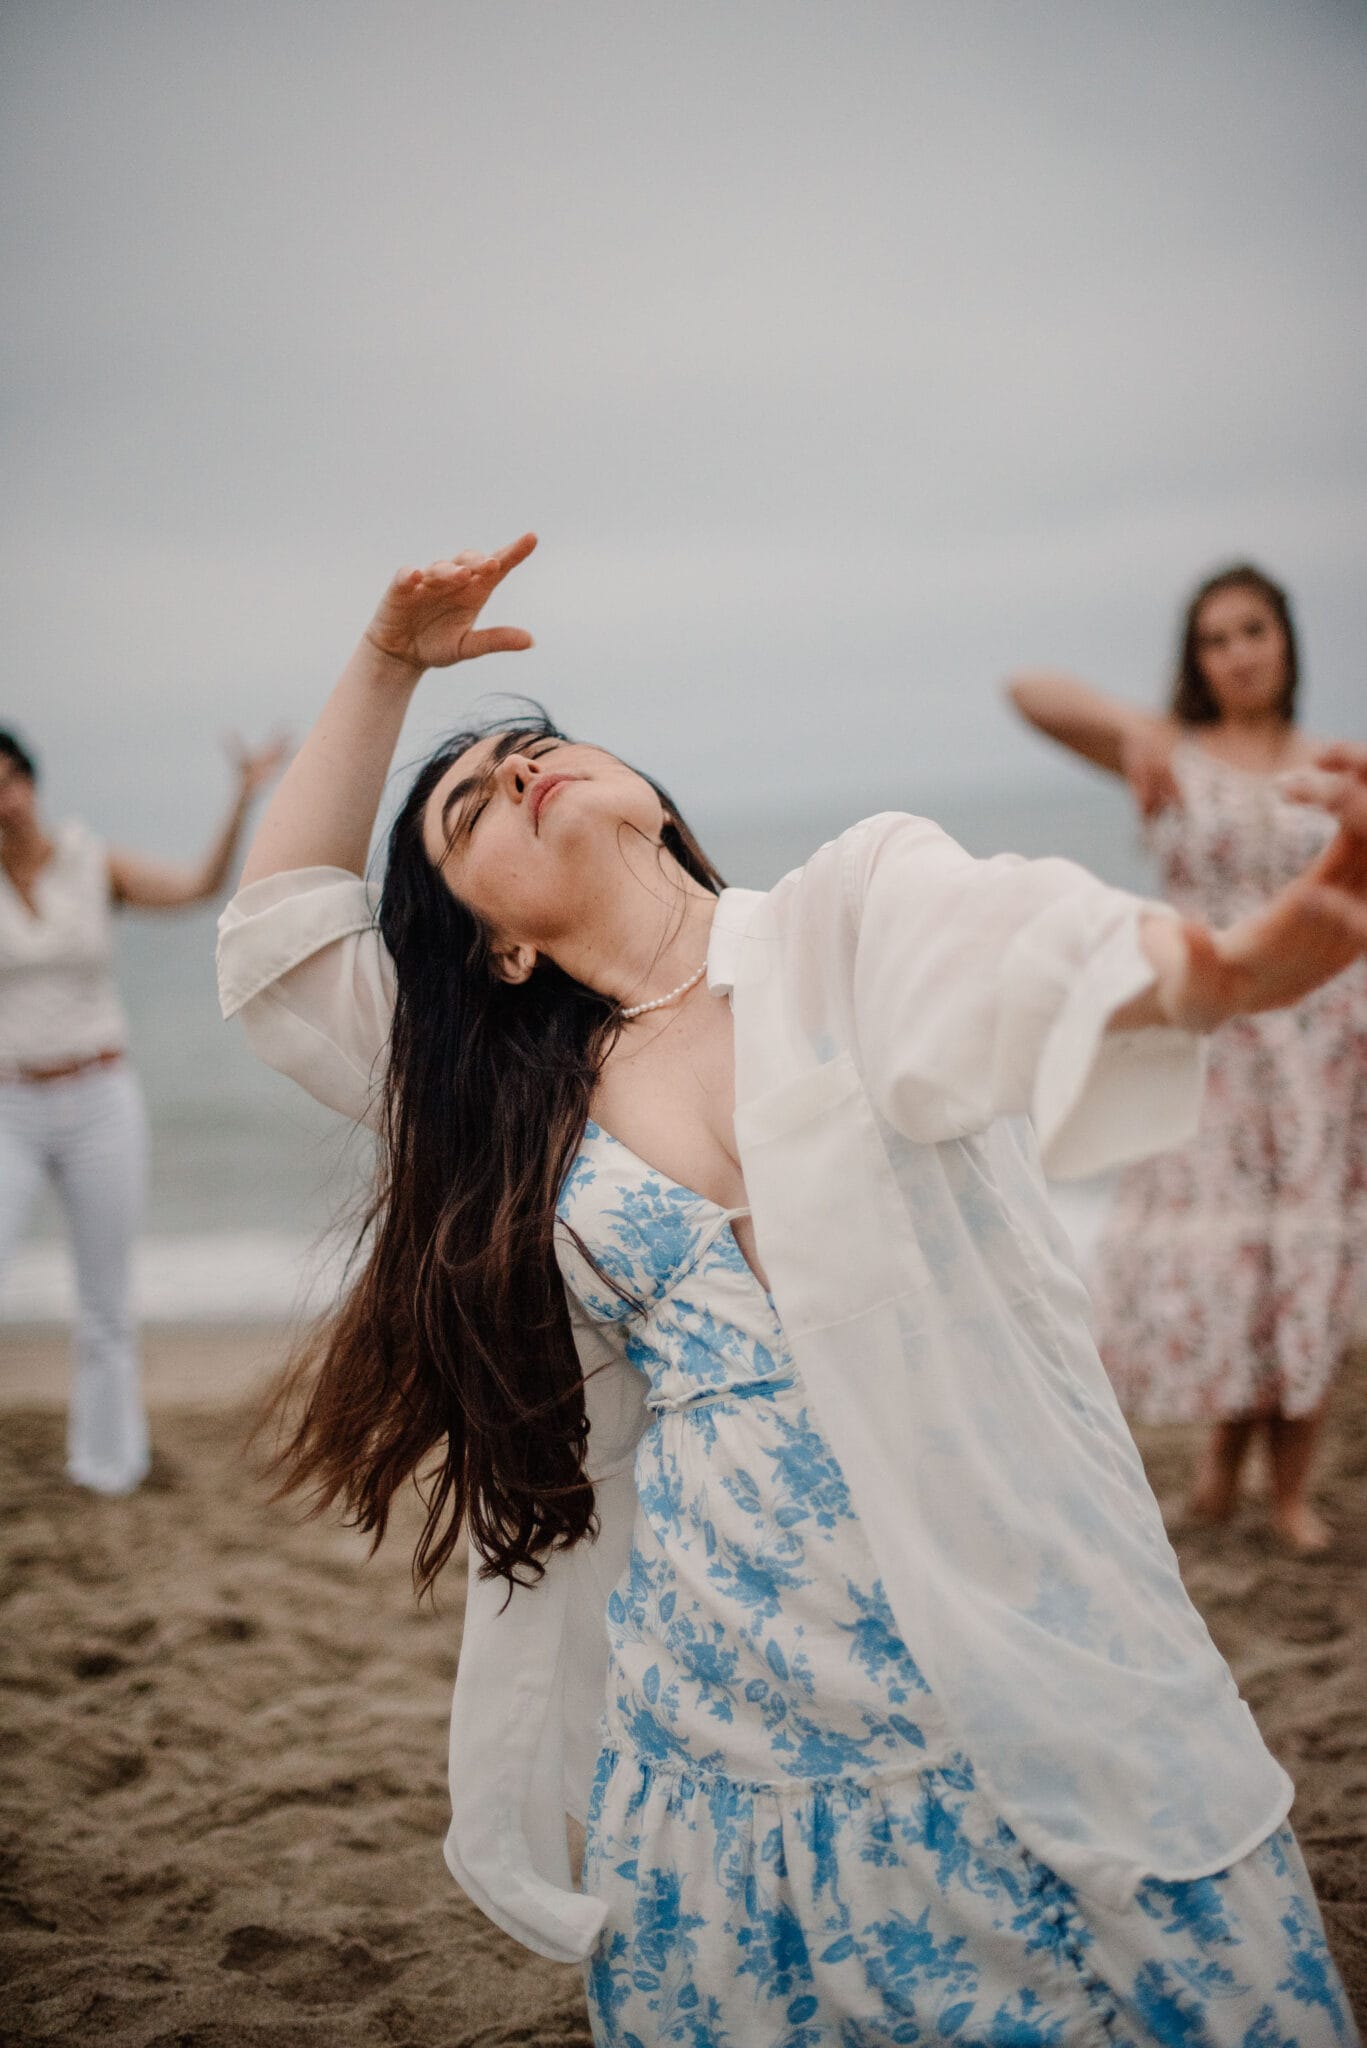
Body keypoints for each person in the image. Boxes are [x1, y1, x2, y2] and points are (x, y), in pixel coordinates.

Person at [217, 536, 1363, 2046]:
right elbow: (286, 937)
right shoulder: (501, 1097)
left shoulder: (841, 919)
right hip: (721, 1726)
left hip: (1002, 1660)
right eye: (467, 803)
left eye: (532, 748)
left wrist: (1221, 969)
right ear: (489, 942)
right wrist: (386, 659)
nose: (515, 775)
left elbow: (1009, 943)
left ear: (638, 786)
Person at [1008, 564, 1367, 1554]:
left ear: (1285, 640)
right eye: (1214, 638)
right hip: (1208, 1032)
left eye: (1252, 630)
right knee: (1227, 1255)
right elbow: (1024, 689)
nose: (1237, 652)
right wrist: (1133, 730)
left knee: (1306, 1254)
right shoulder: (1168, 753)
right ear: (1194, 660)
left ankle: (1288, 1491)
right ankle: (1215, 1472)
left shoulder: (1336, 765)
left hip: (1321, 1047)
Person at [0, 724, 287, 1495]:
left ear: (34, 782)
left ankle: (108, 1466)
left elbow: (198, 887)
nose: (9, 801)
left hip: (98, 1096)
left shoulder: (92, 863)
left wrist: (242, 796)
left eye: (14, 780)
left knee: (104, 1301)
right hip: (9, 1106)